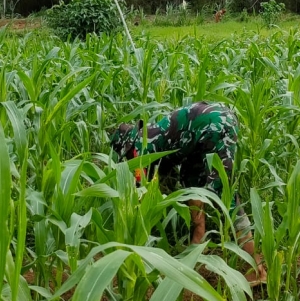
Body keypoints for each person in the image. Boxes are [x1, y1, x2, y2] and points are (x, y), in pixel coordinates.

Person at [109, 102, 267, 285]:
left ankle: (257, 269)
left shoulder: (140, 147)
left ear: (127, 148)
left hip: (215, 127)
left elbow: (142, 191)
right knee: (190, 182)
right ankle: (198, 244)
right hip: (202, 135)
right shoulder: (152, 133)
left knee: (225, 196)